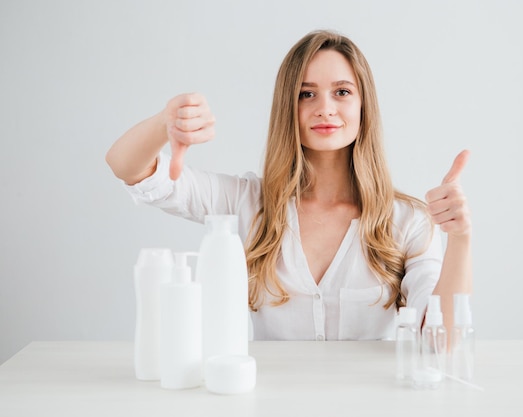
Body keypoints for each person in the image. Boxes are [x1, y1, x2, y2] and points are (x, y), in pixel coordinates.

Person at [106, 30, 472, 340]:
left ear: (364, 106)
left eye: (342, 92)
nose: (325, 108)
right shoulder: (247, 203)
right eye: (306, 93)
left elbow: (441, 337)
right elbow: (127, 167)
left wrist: (459, 238)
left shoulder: (408, 220)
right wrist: (165, 122)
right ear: (287, 107)